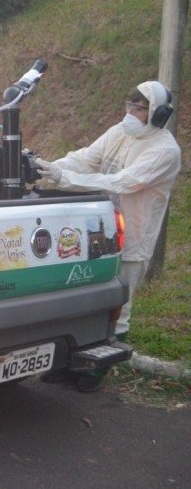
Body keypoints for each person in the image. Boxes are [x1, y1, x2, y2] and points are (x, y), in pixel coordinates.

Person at [36, 80, 182, 391]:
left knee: (119, 306)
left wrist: (65, 179)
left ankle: (99, 368)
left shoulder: (165, 151)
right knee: (84, 299)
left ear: (157, 115)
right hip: (99, 233)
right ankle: (72, 362)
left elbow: (121, 182)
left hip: (132, 237)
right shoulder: (121, 132)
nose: (130, 113)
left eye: (139, 109)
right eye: (129, 106)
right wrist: (49, 169)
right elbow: (87, 158)